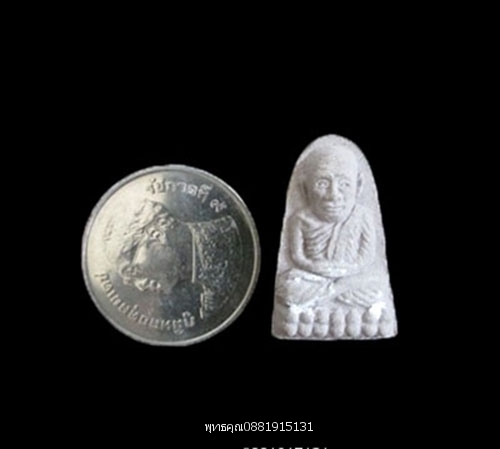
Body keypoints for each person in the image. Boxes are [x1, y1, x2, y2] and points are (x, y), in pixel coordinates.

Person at [276, 144, 387, 311]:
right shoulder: (300, 219)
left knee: (376, 284)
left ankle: (324, 296)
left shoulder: (363, 216)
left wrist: (347, 270)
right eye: (322, 184)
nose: (333, 195)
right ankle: (336, 292)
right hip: (314, 276)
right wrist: (315, 267)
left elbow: (367, 256)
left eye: (344, 184)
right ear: (305, 188)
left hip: (349, 275)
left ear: (358, 186)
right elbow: (297, 256)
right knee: (287, 285)